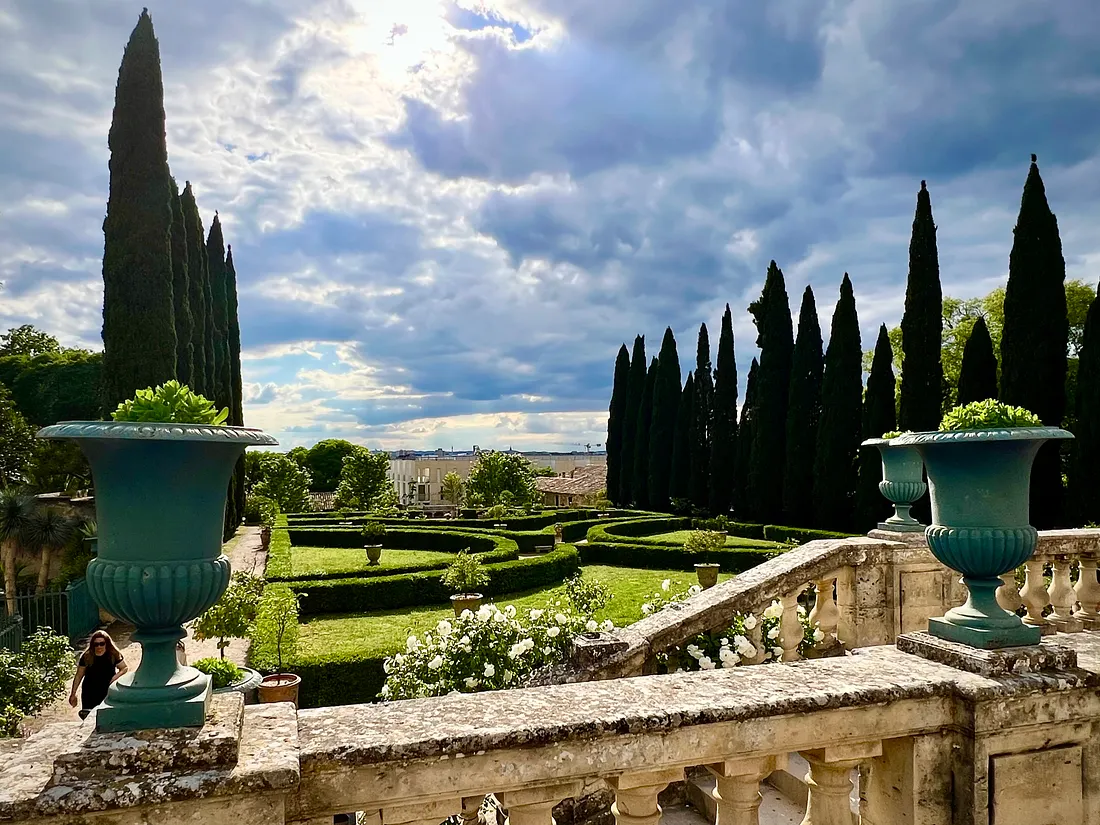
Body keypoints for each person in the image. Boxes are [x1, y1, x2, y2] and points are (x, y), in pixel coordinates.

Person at [68, 630, 127, 721]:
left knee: (107, 716)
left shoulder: (113, 655)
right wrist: (73, 694)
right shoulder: (87, 656)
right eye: (96, 644)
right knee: (89, 717)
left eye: (102, 643)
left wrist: (114, 678)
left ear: (106, 643)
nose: (99, 646)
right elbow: (79, 676)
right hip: (90, 691)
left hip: (107, 689)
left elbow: (124, 668)